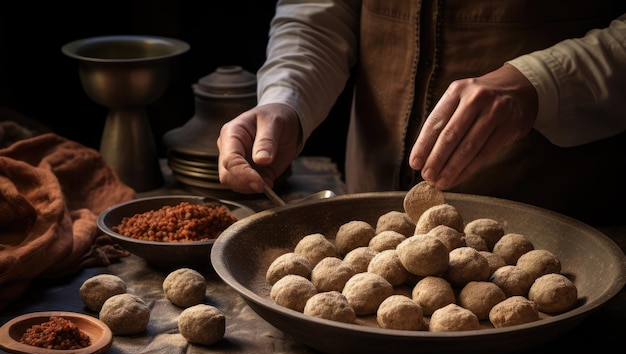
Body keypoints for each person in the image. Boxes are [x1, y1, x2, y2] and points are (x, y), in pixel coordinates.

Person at [217, 0, 626, 224]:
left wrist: (544, 81)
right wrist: (287, 97)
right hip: (368, 199)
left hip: (553, 204)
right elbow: (318, 11)